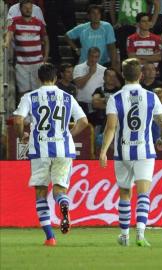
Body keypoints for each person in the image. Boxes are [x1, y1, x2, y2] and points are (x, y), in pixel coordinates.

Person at [12, 63, 88, 246]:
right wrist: (69, 134)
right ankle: (63, 202)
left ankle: (50, 237)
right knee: (60, 189)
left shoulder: (30, 97)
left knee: (40, 192)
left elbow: (18, 119)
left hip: (40, 150)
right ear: (55, 78)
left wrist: (21, 133)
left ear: (39, 78)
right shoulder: (67, 97)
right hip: (63, 149)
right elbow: (84, 121)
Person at [99, 58, 162, 247]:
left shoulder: (115, 98)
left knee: (124, 193)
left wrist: (103, 151)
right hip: (144, 151)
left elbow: (110, 128)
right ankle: (140, 233)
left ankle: (124, 235)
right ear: (141, 75)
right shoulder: (151, 97)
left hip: (123, 153)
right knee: (143, 193)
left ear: (122, 74)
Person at [3, 0, 49, 98]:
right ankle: (23, 113)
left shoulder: (39, 22)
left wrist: (46, 57)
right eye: (26, 8)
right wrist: (6, 43)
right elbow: (9, 33)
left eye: (30, 8)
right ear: (20, 9)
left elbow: (46, 40)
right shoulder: (15, 21)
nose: (28, 10)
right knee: (23, 93)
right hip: (21, 64)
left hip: (37, 63)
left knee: (38, 92)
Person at [65, 4, 118, 71]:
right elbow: (67, 36)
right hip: (85, 63)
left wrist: (114, 65)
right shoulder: (82, 28)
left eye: (98, 13)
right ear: (88, 16)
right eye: (93, 13)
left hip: (103, 63)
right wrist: (76, 49)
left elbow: (112, 47)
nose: (96, 16)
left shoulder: (107, 26)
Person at [73, 47, 106, 119]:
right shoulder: (78, 68)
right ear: (87, 55)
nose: (93, 59)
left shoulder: (104, 70)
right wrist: (90, 73)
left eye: (96, 57)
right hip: (82, 104)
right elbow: (79, 85)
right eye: (92, 56)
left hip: (97, 106)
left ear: (99, 57)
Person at [92, 67, 119, 135]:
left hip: (116, 124)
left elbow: (121, 107)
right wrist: (113, 104)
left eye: (113, 76)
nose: (111, 78)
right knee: (98, 144)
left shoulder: (120, 91)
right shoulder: (99, 90)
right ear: (104, 78)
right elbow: (95, 104)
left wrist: (103, 101)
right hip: (100, 123)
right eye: (109, 75)